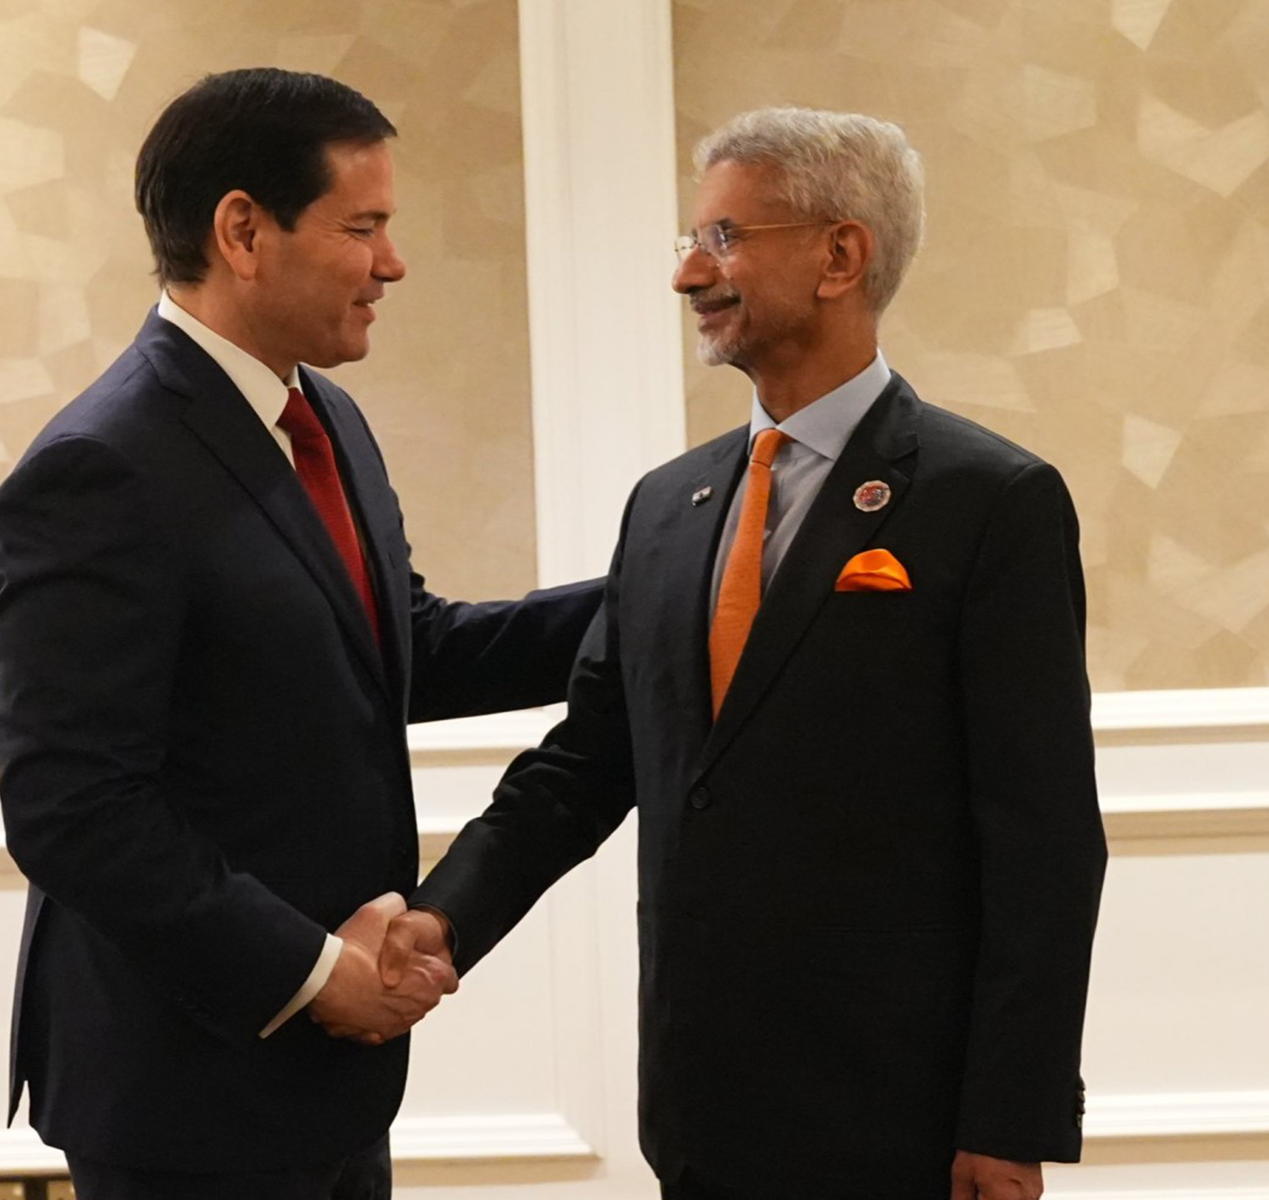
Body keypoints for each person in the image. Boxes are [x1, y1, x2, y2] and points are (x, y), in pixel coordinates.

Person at [382, 107, 1108, 1200]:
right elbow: (588, 764)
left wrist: (1009, 1119)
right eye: (689, 239)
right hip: (701, 1105)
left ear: (840, 254)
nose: (688, 273)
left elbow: (1044, 842)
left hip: (902, 1119)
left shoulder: (989, 502)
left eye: (723, 238)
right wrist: (440, 917)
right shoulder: (669, 506)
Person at [0, 67, 602, 1200]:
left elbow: (402, 649)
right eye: (362, 227)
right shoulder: (101, 466)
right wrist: (315, 974)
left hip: (321, 1082)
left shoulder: (325, 415)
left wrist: (658, 589)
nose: (392, 263)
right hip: (184, 1089)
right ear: (241, 231)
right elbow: (71, 807)